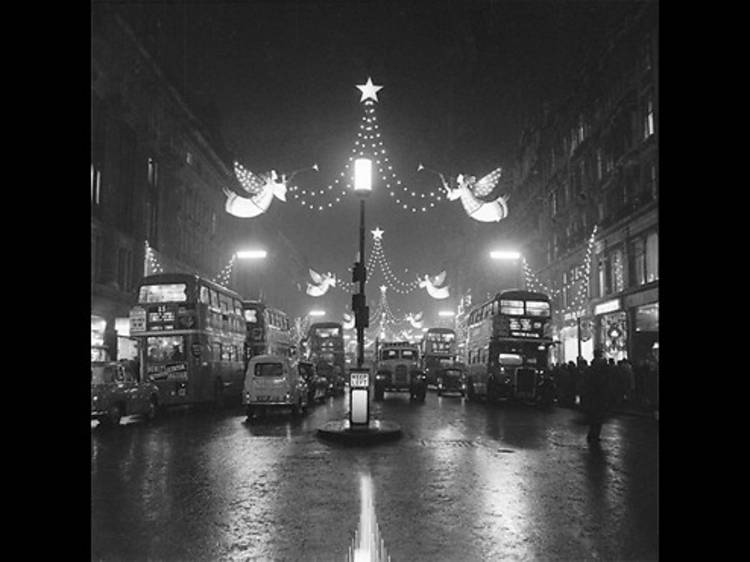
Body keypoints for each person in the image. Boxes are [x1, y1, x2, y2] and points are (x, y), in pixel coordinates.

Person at [583, 348, 611, 442]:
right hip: (598, 395)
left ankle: (593, 434)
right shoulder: (601, 369)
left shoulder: (590, 369)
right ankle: (594, 434)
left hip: (593, 396)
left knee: (594, 416)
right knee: (598, 416)